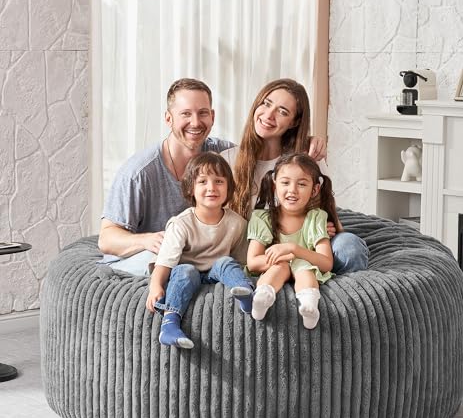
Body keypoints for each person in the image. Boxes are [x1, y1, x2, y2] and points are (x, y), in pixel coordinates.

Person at [99, 77, 326, 275]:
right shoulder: (140, 172)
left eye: (203, 113)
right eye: (185, 114)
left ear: (213, 116)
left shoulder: (221, 155)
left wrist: (306, 142)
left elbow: (259, 152)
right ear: (168, 119)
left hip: (196, 251)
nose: (195, 122)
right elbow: (106, 239)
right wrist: (147, 240)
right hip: (151, 253)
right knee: (168, 263)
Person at [222, 78, 369, 274]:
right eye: (266, 103)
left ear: (294, 122)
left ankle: (323, 285)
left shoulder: (307, 159)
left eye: (282, 112)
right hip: (258, 252)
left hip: (305, 249)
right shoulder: (228, 160)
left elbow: (329, 217)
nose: (269, 115)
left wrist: (323, 229)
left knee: (350, 248)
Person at [146, 152, 254, 349]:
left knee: (226, 262)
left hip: (214, 273)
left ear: (229, 188)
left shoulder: (237, 223)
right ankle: (169, 325)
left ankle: (247, 295)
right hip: (185, 273)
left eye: (219, 181)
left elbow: (242, 261)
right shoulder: (181, 224)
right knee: (187, 270)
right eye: (203, 181)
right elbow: (165, 262)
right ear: (191, 188)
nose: (211, 188)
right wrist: (156, 286)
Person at [247, 153, 338, 328]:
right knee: (280, 265)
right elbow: (252, 263)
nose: (292, 190)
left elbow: (326, 263)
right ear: (274, 185)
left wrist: (293, 249)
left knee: (303, 267)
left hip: (305, 269)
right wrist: (286, 259)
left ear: (314, 190)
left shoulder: (316, 218)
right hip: (275, 267)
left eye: (302, 184)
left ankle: (309, 305)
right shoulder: (262, 218)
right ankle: (262, 297)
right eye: (285, 182)